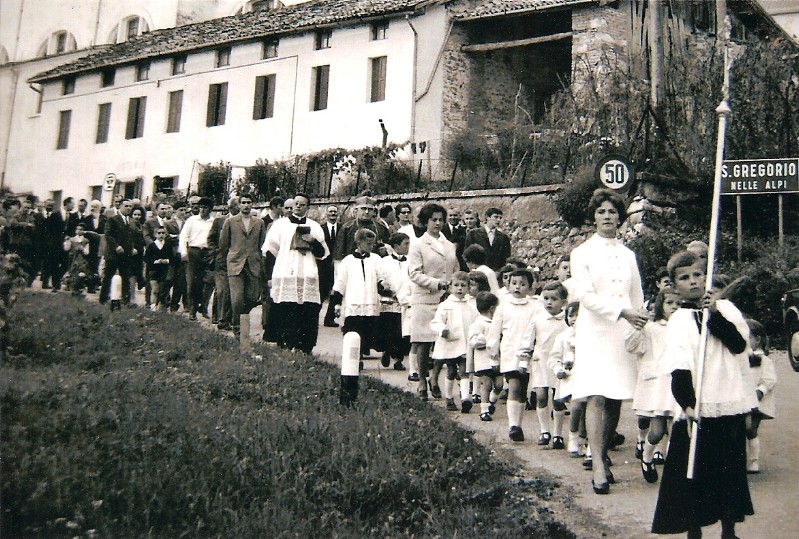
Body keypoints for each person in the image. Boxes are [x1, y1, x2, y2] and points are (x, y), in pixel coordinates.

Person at [651, 250, 754, 539]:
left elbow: (738, 345)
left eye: (698, 275)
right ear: (673, 285)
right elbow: (678, 366)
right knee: (693, 469)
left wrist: (714, 315)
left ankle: (728, 528)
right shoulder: (679, 321)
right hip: (698, 404)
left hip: (726, 399)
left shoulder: (726, 310)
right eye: (685, 278)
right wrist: (687, 403)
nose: (693, 282)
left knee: (728, 469)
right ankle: (693, 527)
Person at [570, 188, 649, 494]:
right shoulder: (582, 253)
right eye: (601, 212)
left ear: (620, 218)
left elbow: (637, 295)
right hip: (595, 331)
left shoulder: (628, 255)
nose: (607, 217)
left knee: (616, 395)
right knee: (596, 395)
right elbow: (586, 297)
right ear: (593, 217)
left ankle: (602, 453)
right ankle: (598, 465)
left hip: (623, 331)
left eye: (612, 212)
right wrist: (623, 312)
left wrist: (638, 320)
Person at [625, 288, 681, 483]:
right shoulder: (652, 327)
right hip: (659, 384)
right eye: (670, 303)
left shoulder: (686, 326)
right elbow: (632, 347)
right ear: (661, 305)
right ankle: (647, 456)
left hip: (680, 381)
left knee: (680, 428)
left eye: (678, 304)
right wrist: (638, 327)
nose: (674, 307)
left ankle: (677, 468)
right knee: (657, 430)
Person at [262, 193, 329, 353]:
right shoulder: (280, 225)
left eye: (302, 204)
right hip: (285, 272)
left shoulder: (315, 227)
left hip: (306, 272)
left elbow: (323, 254)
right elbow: (270, 252)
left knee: (306, 309)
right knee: (285, 307)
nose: (298, 207)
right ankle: (284, 342)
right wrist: (270, 276)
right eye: (296, 204)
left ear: (308, 207)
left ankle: (304, 346)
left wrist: (312, 241)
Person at [407, 203, 460, 401]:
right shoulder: (418, 244)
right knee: (423, 341)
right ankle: (422, 381)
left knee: (443, 341)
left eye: (440, 220)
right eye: (434, 220)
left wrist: (454, 286)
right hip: (425, 298)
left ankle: (434, 378)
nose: (438, 223)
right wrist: (438, 284)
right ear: (425, 222)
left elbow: (456, 268)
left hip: (447, 299)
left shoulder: (448, 245)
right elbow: (414, 273)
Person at [487, 269, 541, 442]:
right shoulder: (503, 307)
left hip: (529, 353)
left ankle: (518, 423)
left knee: (523, 390)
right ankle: (514, 425)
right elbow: (494, 333)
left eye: (523, 284)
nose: (518, 287)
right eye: (514, 283)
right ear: (508, 285)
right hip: (510, 352)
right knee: (515, 386)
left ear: (530, 288)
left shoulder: (535, 306)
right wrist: (493, 355)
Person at [519, 281, 568, 448]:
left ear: (563, 302)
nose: (549, 302)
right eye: (546, 298)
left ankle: (558, 434)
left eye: (554, 299)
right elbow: (528, 340)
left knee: (558, 399)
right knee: (540, 396)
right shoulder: (538, 319)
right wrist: (523, 360)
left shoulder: (566, 321)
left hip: (559, 364)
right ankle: (544, 430)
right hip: (541, 362)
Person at [330, 228, 387, 361]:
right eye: (368, 244)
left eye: (373, 244)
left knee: (369, 330)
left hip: (370, 301)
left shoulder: (376, 259)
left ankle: (366, 352)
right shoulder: (348, 261)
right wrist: (337, 304)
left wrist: (383, 285)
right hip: (353, 302)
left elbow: (382, 277)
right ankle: (356, 358)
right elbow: (340, 283)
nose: (371, 247)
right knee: (353, 331)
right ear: (359, 242)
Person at [430, 271, 479, 412]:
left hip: (465, 343)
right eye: (456, 285)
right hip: (450, 343)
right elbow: (436, 322)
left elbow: (476, 321)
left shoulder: (471, 305)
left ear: (469, 288)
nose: (459, 289)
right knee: (451, 371)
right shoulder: (445, 305)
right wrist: (442, 329)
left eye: (463, 286)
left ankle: (465, 399)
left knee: (464, 371)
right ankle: (449, 397)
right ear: (450, 287)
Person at [219, 195, 265, 335]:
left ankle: (240, 317)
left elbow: (262, 244)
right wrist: (227, 260)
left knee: (252, 296)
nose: (246, 205)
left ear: (253, 205)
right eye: (243, 203)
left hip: (253, 263)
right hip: (235, 263)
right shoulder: (230, 222)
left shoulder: (259, 223)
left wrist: (260, 261)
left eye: (249, 203)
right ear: (238, 205)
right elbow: (223, 244)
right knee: (237, 297)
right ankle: (237, 326)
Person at [549, 301, 584, 457]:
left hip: (587, 376)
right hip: (570, 378)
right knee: (577, 407)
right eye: (571, 315)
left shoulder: (590, 337)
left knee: (587, 410)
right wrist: (558, 369)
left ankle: (584, 440)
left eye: (579, 315)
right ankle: (573, 436)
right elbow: (554, 358)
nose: (574, 319)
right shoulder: (563, 337)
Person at [744, 318, 776, 474]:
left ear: (757, 339)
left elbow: (770, 379)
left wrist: (760, 391)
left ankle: (753, 461)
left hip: (756, 401)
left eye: (747, 337)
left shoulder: (764, 360)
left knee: (751, 429)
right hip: (741, 399)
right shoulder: (740, 359)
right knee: (739, 428)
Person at [377, 232, 412, 371]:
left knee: (401, 332)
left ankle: (398, 359)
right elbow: (380, 280)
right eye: (406, 244)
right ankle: (387, 350)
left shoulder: (410, 262)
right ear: (397, 246)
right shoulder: (384, 261)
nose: (408, 247)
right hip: (389, 300)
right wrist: (389, 292)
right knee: (389, 329)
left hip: (404, 301)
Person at [179, 197, 215, 320]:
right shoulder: (191, 220)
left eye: (205, 208)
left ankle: (203, 307)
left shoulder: (213, 222)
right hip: (193, 252)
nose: (202, 210)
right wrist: (184, 253)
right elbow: (183, 237)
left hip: (207, 253)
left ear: (210, 209)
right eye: (201, 207)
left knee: (208, 282)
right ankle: (192, 310)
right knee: (192, 283)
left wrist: (212, 254)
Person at [469, 291, 502, 421]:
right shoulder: (478, 324)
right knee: (487, 384)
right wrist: (488, 339)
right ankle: (484, 410)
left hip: (497, 359)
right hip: (483, 360)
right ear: (492, 309)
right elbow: (473, 341)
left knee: (499, 384)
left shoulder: (498, 323)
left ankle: (491, 401)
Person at [208, 197, 239, 330]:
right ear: (231, 207)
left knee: (232, 291)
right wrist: (216, 253)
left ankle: (225, 319)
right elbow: (211, 239)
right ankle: (217, 316)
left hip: (236, 260)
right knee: (221, 290)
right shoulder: (220, 221)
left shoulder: (243, 222)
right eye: (238, 205)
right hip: (221, 260)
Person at [100, 199, 137, 305]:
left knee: (126, 277)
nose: (128, 208)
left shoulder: (131, 221)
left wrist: (133, 247)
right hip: (113, 254)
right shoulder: (113, 219)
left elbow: (132, 237)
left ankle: (126, 300)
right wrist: (116, 246)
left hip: (126, 254)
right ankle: (103, 299)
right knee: (108, 276)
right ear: (120, 207)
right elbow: (108, 235)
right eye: (126, 206)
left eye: (130, 206)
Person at [144, 226, 176, 310]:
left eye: (163, 233)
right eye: (159, 233)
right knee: (155, 290)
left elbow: (172, 258)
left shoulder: (168, 246)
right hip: (153, 270)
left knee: (162, 290)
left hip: (164, 270)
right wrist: (155, 261)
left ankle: (161, 306)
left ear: (165, 235)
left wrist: (166, 261)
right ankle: (153, 306)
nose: (161, 235)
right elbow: (146, 258)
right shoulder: (152, 246)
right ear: (155, 235)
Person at [319, 205, 340, 327]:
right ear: (326, 214)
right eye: (330, 212)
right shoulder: (321, 229)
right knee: (321, 291)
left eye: (335, 212)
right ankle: (314, 316)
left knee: (336, 292)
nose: (333, 214)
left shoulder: (342, 228)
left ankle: (330, 318)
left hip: (337, 265)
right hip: (323, 265)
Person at [62, 222, 91, 296]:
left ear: (83, 231)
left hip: (81, 260)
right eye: (77, 229)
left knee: (81, 274)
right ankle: (71, 288)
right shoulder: (72, 239)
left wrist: (82, 249)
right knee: (72, 273)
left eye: (80, 229)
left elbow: (87, 252)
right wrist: (66, 241)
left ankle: (78, 289)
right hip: (72, 259)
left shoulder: (85, 240)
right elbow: (66, 249)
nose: (78, 231)